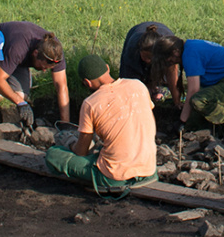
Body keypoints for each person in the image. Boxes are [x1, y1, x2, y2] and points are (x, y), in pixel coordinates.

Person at [43, 57, 158, 195]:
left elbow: (81, 152)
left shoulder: (90, 103)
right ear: (107, 68)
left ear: (87, 82)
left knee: (53, 155)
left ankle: (107, 183)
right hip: (149, 170)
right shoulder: (138, 86)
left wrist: (70, 143)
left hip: (115, 177)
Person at [153, 35, 224, 141]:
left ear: (175, 52)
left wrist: (181, 122)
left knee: (199, 100)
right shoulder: (190, 47)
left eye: (168, 59)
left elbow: (193, 91)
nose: (169, 63)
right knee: (194, 117)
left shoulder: (189, 54)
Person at [0, 22, 69, 128]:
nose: (44, 71)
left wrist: (65, 124)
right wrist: (20, 103)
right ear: (35, 53)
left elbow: (61, 86)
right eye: (43, 67)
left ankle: (8, 70)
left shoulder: (55, 52)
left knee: (22, 95)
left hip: (17, 60)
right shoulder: (18, 49)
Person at [118, 20, 182, 105]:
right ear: (139, 50)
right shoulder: (132, 50)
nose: (148, 60)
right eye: (145, 56)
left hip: (164, 37)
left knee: (159, 90)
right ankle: (147, 87)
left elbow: (172, 73)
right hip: (134, 36)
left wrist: (177, 101)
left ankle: (158, 87)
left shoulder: (168, 49)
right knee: (132, 90)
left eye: (150, 58)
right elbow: (129, 81)